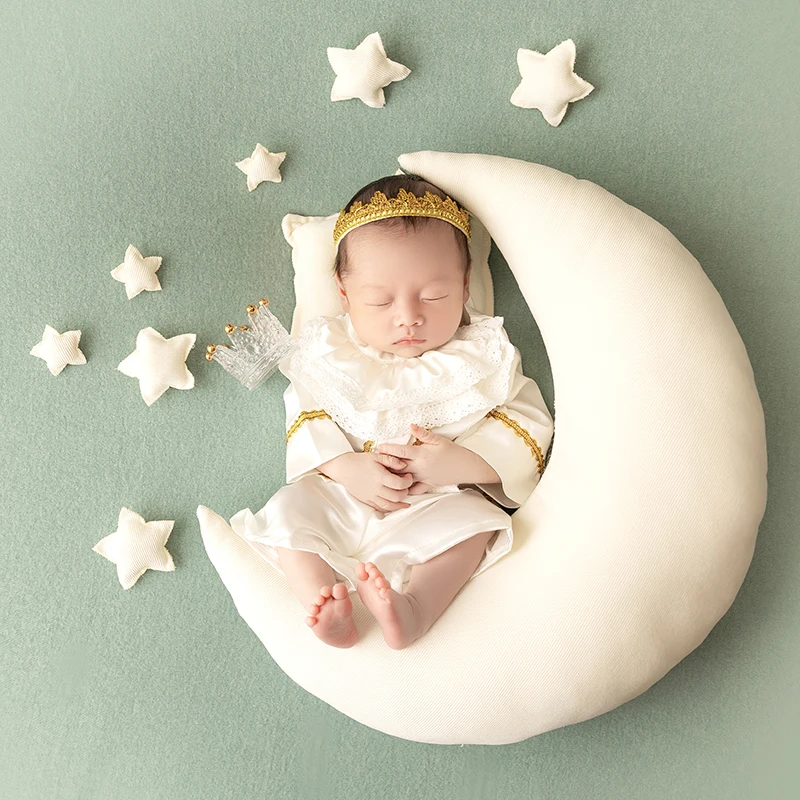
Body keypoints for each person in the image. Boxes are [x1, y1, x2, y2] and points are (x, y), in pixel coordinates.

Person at [229, 174, 554, 651]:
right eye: (379, 301)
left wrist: (461, 464)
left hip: (437, 500)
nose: (408, 316)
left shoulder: (485, 354)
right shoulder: (329, 351)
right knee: (288, 509)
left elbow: (528, 421)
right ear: (344, 293)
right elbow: (304, 412)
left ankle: (416, 607)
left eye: (434, 296)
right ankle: (324, 600)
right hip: (343, 496)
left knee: (476, 528)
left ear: (465, 286)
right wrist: (343, 467)